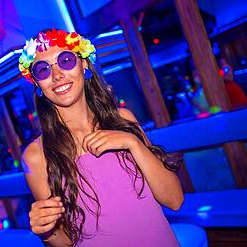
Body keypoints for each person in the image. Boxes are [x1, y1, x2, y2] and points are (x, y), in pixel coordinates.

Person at [19, 28, 183, 247]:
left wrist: (132, 143)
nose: (57, 75)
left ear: (84, 64)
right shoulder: (36, 156)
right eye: (43, 70)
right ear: (37, 84)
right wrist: (47, 231)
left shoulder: (123, 120)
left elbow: (174, 200)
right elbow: (67, 242)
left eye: (66, 60)